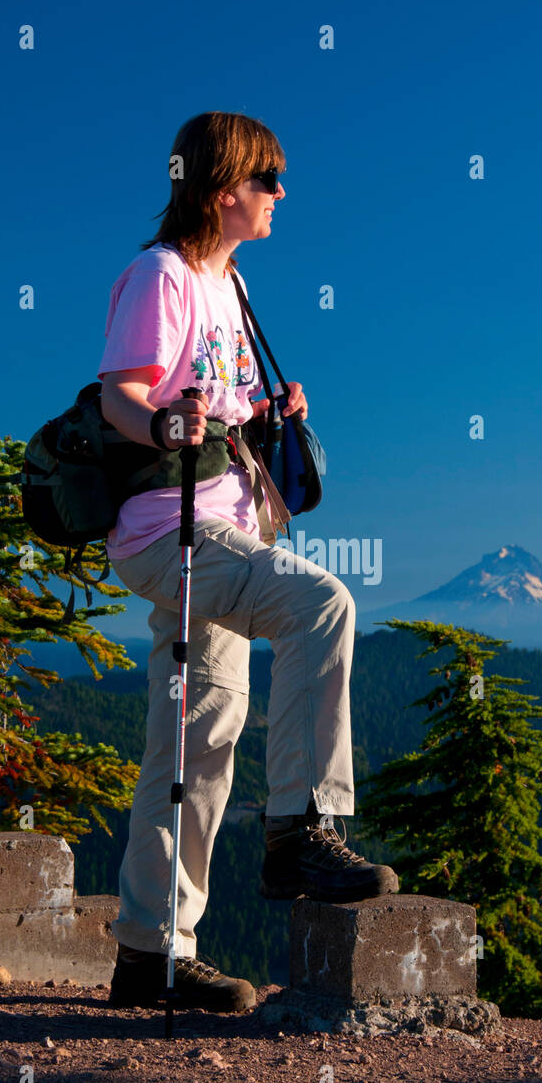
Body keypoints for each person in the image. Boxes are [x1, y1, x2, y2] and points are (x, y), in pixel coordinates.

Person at [98, 112, 398, 1015]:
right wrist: (160, 422)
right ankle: (300, 829)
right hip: (172, 531)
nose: (280, 195)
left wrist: (265, 412)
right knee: (323, 605)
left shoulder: (229, 286)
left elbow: (219, 400)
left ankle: (149, 952)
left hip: (232, 524)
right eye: (268, 179)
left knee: (195, 744)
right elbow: (123, 392)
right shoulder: (162, 275)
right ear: (224, 186)